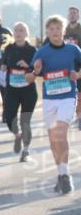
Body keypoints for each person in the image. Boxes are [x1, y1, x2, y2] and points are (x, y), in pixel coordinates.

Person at [28, 15, 81, 194]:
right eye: (51, 29)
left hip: (68, 97)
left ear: (63, 30)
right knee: (52, 140)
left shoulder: (73, 50)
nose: (55, 32)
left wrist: (78, 75)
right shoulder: (41, 52)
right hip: (49, 100)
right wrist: (35, 71)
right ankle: (60, 174)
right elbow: (28, 78)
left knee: (60, 133)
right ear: (47, 32)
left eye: (58, 28)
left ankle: (65, 176)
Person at [0, 22, 38, 162]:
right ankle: (17, 135)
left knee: (25, 122)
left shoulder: (33, 50)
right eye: (16, 30)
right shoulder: (8, 48)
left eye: (21, 30)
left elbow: (38, 69)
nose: (18, 32)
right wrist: (3, 65)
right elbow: (4, 61)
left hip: (28, 90)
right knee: (10, 119)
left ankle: (26, 151)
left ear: (27, 33)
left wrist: (28, 66)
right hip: (12, 90)